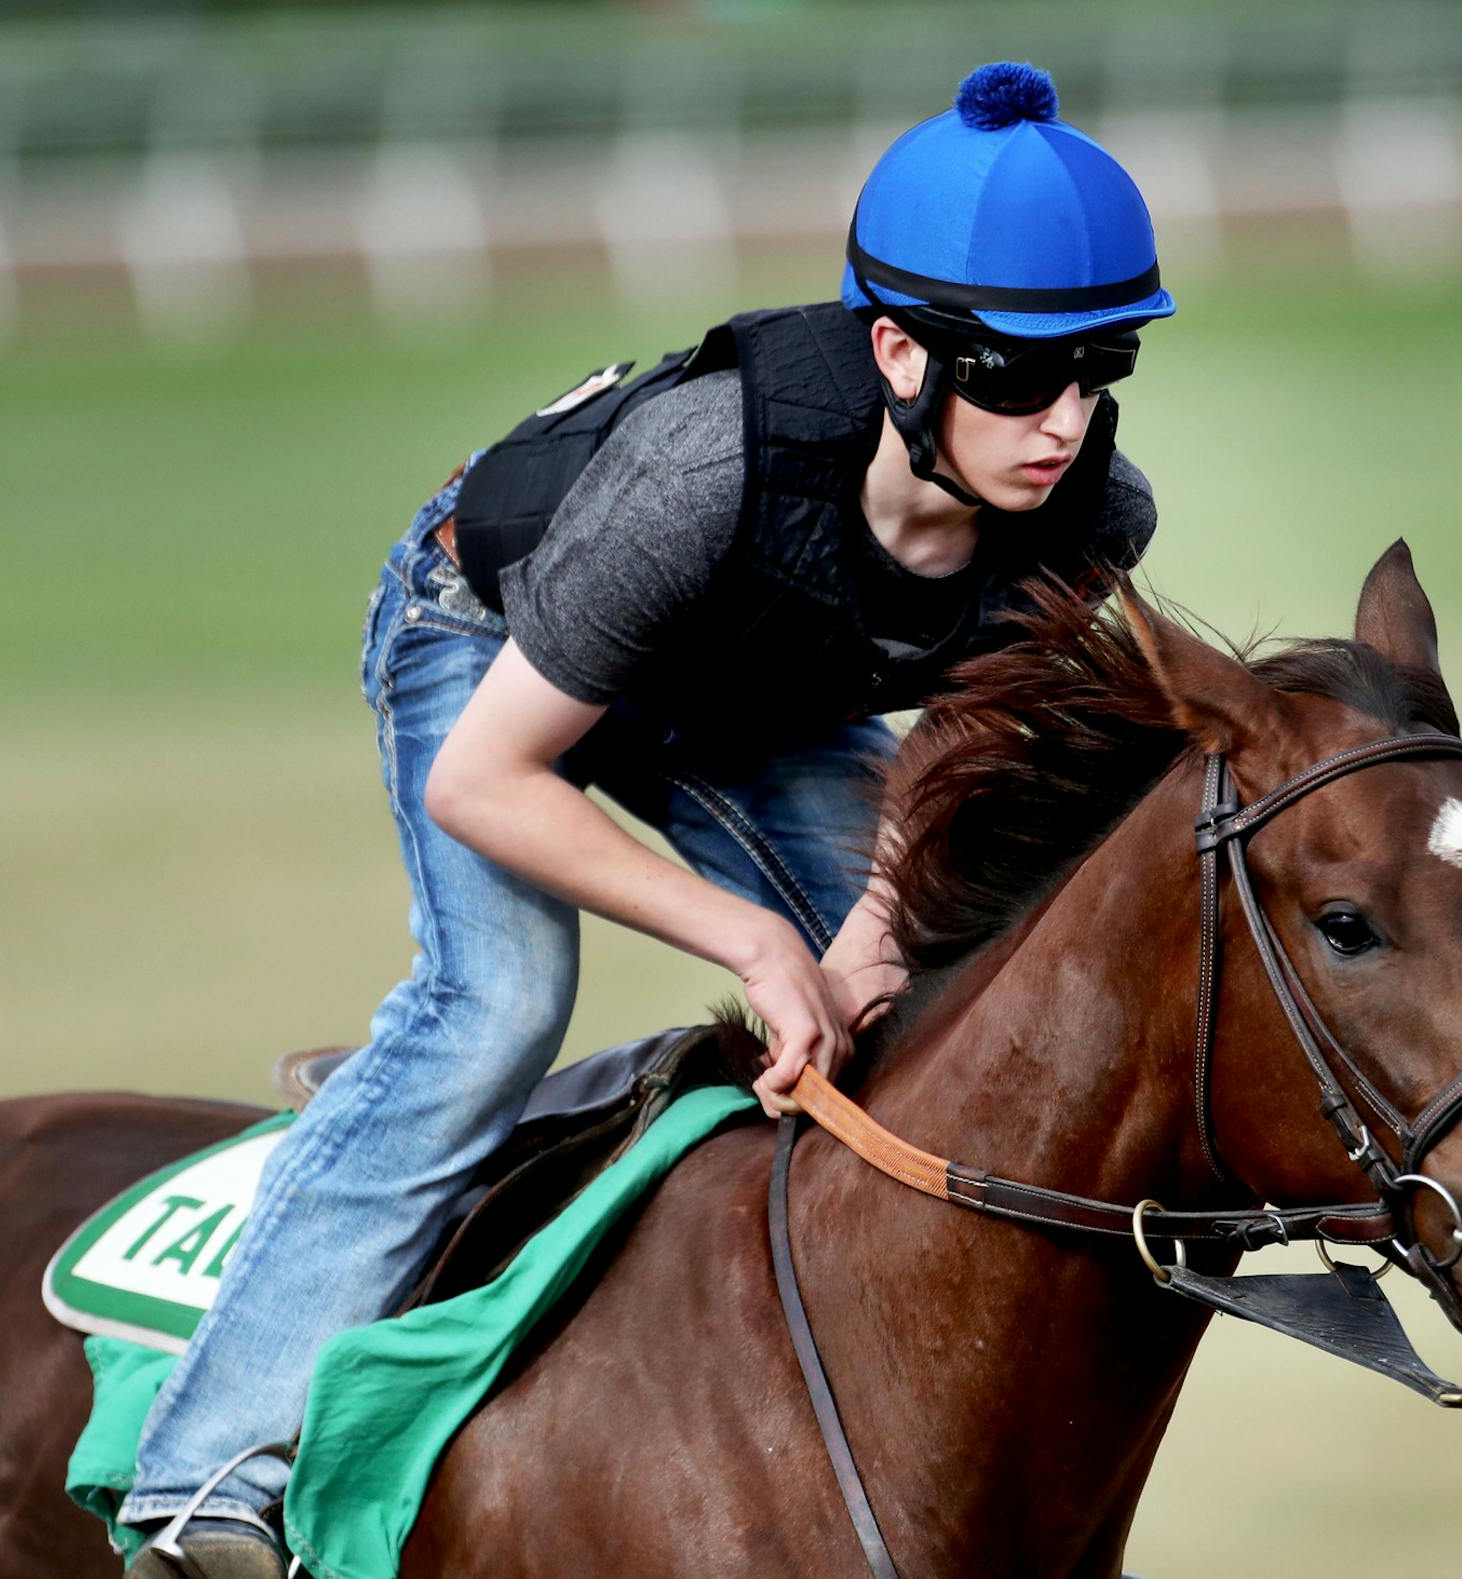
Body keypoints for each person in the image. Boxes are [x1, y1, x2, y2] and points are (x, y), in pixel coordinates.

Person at [122, 59, 1173, 1577]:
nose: (1064, 422)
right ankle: (206, 1473)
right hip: (491, 643)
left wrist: (872, 937)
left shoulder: (1093, 516)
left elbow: (961, 735)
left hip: (753, 680)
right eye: (1016, 376)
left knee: (933, 982)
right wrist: (756, 940)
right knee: (499, 1001)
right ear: (896, 352)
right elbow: (483, 782)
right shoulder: (705, 467)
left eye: (1102, 367)